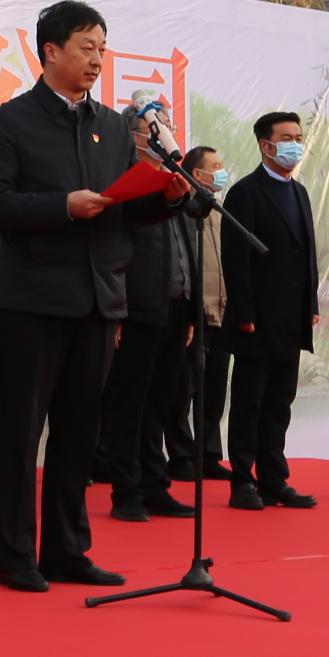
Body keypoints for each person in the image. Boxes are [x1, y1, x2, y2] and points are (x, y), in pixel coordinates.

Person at [0, 1, 179, 591]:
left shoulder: (111, 126)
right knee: (19, 435)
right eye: (87, 47)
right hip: (32, 301)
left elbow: (121, 207)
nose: (97, 59)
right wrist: (62, 206)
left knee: (78, 434)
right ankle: (16, 556)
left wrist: (164, 198)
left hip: (97, 299)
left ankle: (66, 550)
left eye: (102, 49)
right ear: (51, 51)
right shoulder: (9, 122)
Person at [95, 111, 199, 523]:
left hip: (174, 304)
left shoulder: (173, 181)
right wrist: (115, 312)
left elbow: (185, 251)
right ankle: (126, 491)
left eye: (167, 130)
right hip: (134, 307)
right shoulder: (124, 182)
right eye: (153, 130)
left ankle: (155, 486)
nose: (162, 136)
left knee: (160, 402)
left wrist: (191, 309)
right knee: (128, 403)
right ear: (132, 136)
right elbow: (114, 250)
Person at [221, 109, 322, 511]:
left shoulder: (299, 192)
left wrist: (310, 303)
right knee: (250, 404)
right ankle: (242, 482)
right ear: (265, 145)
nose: (295, 144)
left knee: (280, 402)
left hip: (291, 318)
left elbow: (307, 253)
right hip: (257, 320)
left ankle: (273, 479)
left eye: (298, 137)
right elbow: (235, 260)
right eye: (286, 138)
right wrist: (244, 312)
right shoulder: (245, 192)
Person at [167, 146, 236, 485]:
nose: (221, 171)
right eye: (216, 166)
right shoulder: (182, 210)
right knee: (182, 390)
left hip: (223, 314)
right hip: (193, 314)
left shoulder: (222, 211)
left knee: (214, 392)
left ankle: (208, 455)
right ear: (197, 174)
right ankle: (181, 457)